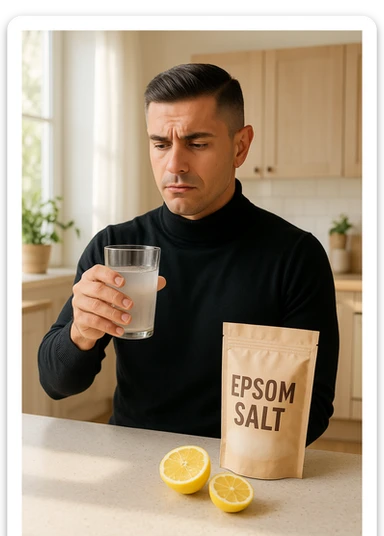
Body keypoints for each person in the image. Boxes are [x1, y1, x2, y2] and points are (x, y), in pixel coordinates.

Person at [38, 63, 339, 446]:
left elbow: (314, 408)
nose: (174, 165)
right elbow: (55, 384)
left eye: (197, 144)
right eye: (161, 144)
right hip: (134, 464)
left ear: (240, 146)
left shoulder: (296, 257)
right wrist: (80, 332)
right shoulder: (113, 247)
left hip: (241, 471)